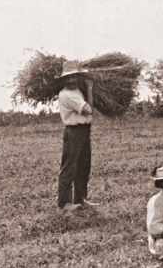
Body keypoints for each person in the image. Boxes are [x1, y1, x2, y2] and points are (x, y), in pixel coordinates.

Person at [56, 60, 96, 212]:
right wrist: (90, 88)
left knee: (83, 166)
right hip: (74, 132)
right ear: (64, 80)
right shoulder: (66, 95)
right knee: (69, 168)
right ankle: (64, 203)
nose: (72, 80)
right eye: (68, 77)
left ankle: (81, 200)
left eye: (74, 77)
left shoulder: (77, 91)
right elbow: (89, 110)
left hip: (84, 130)